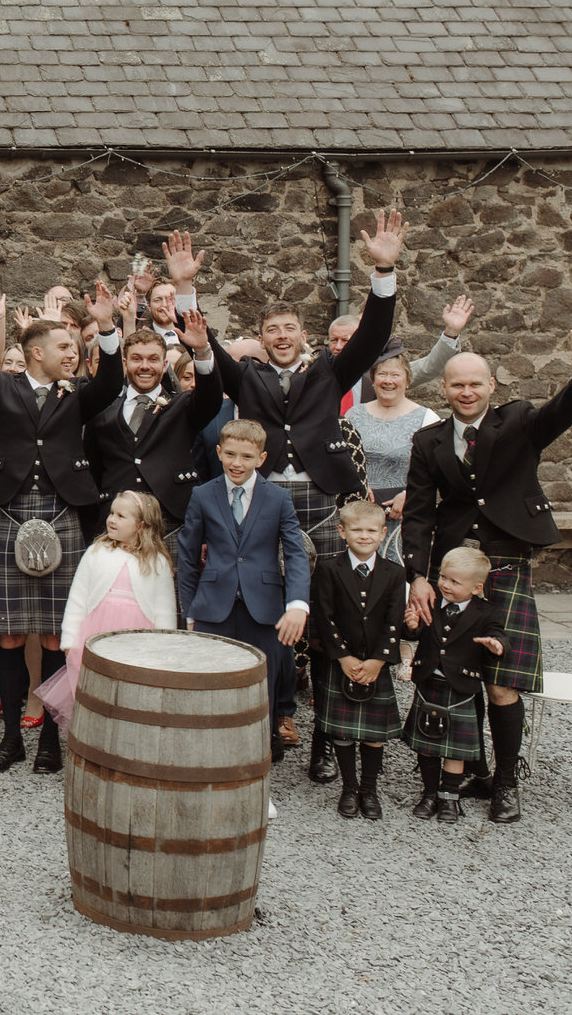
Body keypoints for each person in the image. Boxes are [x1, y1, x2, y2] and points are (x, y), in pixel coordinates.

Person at [205, 213, 407, 760]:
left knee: (327, 611)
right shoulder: (246, 377)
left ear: (303, 336)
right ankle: (275, 718)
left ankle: (326, 736)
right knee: (270, 610)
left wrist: (383, 269)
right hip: (265, 499)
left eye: (290, 328)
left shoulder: (330, 373)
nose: (282, 336)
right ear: (263, 341)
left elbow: (373, 334)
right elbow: (204, 347)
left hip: (321, 499)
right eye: (272, 330)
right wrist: (183, 290)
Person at [400, 315, 572, 824]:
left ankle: (506, 782)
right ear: (445, 389)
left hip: (507, 564)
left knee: (501, 682)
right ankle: (467, 766)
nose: (466, 391)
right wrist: (418, 575)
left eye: (475, 383)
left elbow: (557, 415)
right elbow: (419, 513)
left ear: (491, 386)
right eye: (457, 384)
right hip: (452, 571)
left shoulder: (516, 420)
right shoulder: (428, 441)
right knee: (456, 673)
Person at [0, 279, 125, 774]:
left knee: (53, 637)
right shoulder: (2, 387)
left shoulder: (78, 394)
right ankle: (10, 739)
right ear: (35, 353)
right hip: (8, 516)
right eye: (65, 347)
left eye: (75, 345)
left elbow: (111, 381)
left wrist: (108, 325)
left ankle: (51, 737)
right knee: (6, 635)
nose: (73, 353)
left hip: (62, 514)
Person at [176, 419, 310, 767]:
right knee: (210, 688)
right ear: (218, 452)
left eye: (247, 456)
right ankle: (208, 763)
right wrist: (189, 611)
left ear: (261, 458)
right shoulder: (202, 494)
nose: (237, 463)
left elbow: (295, 553)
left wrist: (296, 604)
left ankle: (254, 768)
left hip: (263, 610)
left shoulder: (278, 498)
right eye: (230, 454)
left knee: (259, 691)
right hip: (212, 609)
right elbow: (188, 557)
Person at [32, 490, 179, 737]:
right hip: (95, 636)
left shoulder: (157, 561)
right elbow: (78, 597)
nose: (112, 519)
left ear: (141, 525)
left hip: (136, 641)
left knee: (130, 695)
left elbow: (165, 609)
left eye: (121, 516)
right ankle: (94, 744)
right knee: (95, 695)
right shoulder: (96, 552)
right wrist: (69, 639)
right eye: (111, 513)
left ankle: (126, 744)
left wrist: (164, 650)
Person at [309, 500, 406, 821]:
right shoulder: (328, 569)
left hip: (375, 664)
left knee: (374, 734)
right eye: (356, 529)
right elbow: (324, 616)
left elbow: (394, 621)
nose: (363, 536)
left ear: (382, 534)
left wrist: (379, 661)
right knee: (343, 731)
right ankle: (349, 788)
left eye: (371, 531)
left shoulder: (395, 573)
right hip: (342, 662)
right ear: (342, 532)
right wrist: (344, 657)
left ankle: (369, 789)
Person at [86, 311, 221, 534]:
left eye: (153, 359)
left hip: (171, 520)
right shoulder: (103, 410)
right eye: (137, 358)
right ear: (125, 362)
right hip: (115, 520)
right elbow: (93, 470)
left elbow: (211, 397)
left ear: (165, 363)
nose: (145, 366)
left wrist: (202, 351)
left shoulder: (183, 406)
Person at [402, 548, 507, 824]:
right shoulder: (432, 602)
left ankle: (449, 796)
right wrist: (411, 627)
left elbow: (499, 635)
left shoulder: (487, 612)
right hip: (429, 682)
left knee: (453, 749)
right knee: (427, 744)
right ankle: (429, 793)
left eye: (455, 582)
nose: (446, 585)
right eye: (443, 577)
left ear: (476, 588)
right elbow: (413, 631)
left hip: (460, 687)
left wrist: (497, 646)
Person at [344, 343, 438, 545]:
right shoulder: (353, 415)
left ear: (408, 380)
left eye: (395, 375)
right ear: (373, 379)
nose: (388, 381)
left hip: (402, 516)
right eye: (382, 374)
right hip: (358, 519)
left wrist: (410, 496)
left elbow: (436, 472)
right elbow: (341, 462)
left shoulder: (427, 419)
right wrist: (355, 485)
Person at [334, 294, 473, 412]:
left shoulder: (382, 371)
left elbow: (429, 366)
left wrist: (451, 333)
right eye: (334, 340)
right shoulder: (320, 370)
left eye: (346, 340)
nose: (339, 346)